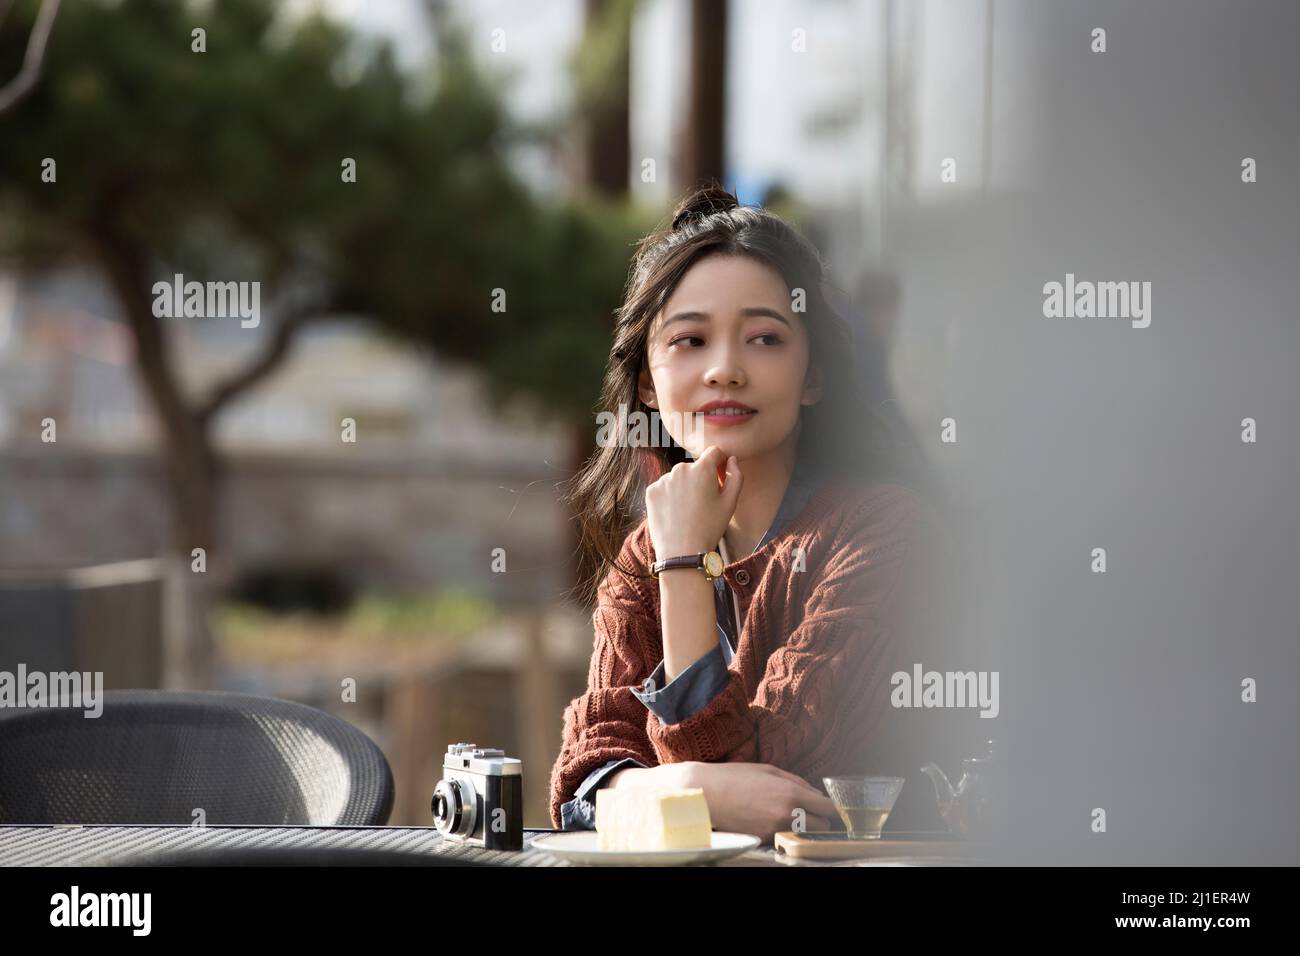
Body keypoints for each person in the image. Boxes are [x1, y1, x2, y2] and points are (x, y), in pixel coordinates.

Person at [548, 182, 961, 842]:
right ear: (649, 386)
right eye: (689, 341)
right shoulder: (640, 557)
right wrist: (680, 789)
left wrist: (683, 566)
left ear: (814, 377)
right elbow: (582, 783)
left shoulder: (885, 532)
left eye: (764, 339)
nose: (725, 371)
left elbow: (772, 787)